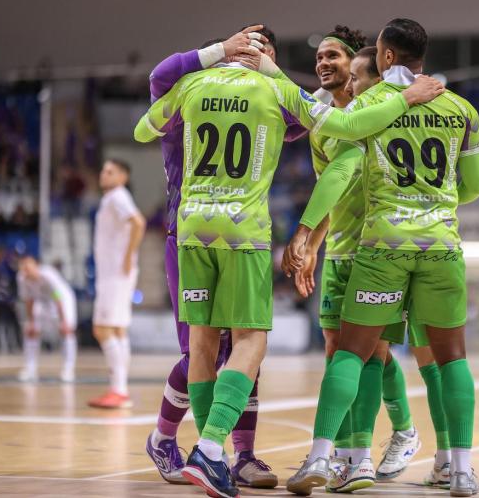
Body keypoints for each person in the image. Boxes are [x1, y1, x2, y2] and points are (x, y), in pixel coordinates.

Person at [134, 36, 444, 497]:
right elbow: (341, 124)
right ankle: (212, 449)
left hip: (192, 227)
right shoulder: (277, 91)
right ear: (265, 58)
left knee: (201, 346)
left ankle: (218, 454)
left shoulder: (192, 84)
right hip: (245, 232)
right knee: (253, 343)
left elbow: (143, 131)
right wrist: (406, 97)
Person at [283, 18, 479, 497]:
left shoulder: (370, 105)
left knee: (350, 353)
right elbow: (475, 185)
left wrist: (306, 229)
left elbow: (339, 173)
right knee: (451, 359)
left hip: (382, 249)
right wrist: (437, 203)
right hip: (440, 247)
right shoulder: (462, 109)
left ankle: (323, 456)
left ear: (387, 57)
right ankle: (459, 470)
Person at [143, 26, 288, 486]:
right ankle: (166, 438)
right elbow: (159, 76)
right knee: (203, 349)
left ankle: (239, 455)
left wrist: (276, 76)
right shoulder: (191, 92)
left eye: (262, 55)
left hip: (235, 232)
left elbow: (303, 119)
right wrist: (219, 51)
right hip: (185, 234)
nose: (252, 60)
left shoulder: (262, 96)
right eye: (247, 50)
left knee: (244, 347)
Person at [87, 159, 146, 409]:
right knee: (118, 330)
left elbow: (138, 222)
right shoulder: (112, 197)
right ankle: (119, 389)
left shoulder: (118, 197)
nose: (104, 174)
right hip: (114, 273)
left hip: (115, 274)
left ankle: (119, 390)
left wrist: (128, 256)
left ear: (123, 177)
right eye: (103, 170)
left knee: (102, 329)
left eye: (110, 171)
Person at [16, 255, 77, 382]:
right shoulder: (21, 278)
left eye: (28, 266)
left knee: (66, 331)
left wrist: (63, 321)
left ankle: (68, 370)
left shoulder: (49, 275)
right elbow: (29, 300)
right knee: (31, 331)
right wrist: (31, 321)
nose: (26, 269)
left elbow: (57, 296)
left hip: (62, 299)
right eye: (23, 267)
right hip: (42, 301)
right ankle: (30, 370)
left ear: (36, 266)